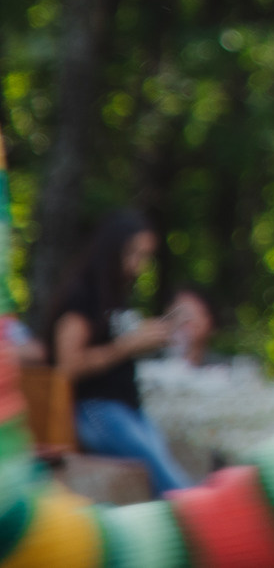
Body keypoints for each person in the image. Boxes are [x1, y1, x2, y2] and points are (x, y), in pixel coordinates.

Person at [46, 209, 191, 493]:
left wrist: (148, 335)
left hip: (126, 408)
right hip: (94, 410)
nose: (139, 265)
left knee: (169, 470)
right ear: (113, 249)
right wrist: (128, 345)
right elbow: (68, 365)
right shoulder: (83, 296)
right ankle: (207, 525)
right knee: (168, 481)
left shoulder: (113, 294)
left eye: (145, 256)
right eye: (134, 254)